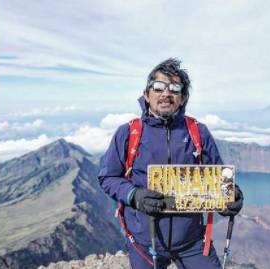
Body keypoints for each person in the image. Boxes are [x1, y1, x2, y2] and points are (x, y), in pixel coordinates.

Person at [98, 58, 244, 269]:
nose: (166, 93)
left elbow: (218, 178)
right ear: (147, 94)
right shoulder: (129, 133)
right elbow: (108, 177)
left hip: (192, 241)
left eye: (175, 89)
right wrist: (134, 195)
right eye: (158, 87)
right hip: (144, 241)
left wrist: (231, 197)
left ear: (182, 98)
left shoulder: (198, 132)